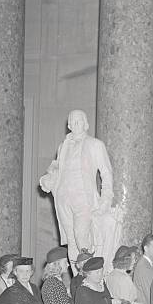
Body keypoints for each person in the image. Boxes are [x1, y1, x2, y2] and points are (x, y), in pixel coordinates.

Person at [39, 110, 116, 271]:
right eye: (72, 122)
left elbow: (107, 173)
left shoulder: (95, 144)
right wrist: (48, 179)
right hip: (63, 198)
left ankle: (90, 276)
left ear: (86, 124)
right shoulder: (63, 147)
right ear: (68, 125)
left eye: (79, 121)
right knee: (71, 240)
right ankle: (77, 279)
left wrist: (105, 200)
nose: (76, 124)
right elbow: (56, 168)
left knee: (82, 237)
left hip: (84, 198)